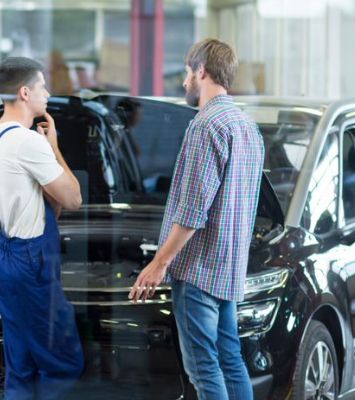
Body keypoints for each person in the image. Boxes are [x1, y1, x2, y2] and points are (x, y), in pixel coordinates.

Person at [128, 38, 265, 400]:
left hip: (199, 270)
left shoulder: (205, 126)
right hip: (229, 267)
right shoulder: (247, 127)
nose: (185, 81)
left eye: (188, 73)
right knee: (231, 359)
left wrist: (159, 263)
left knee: (203, 367)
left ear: (201, 70)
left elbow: (192, 210)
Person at [0, 56, 84, 399]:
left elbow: (43, 209)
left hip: (7, 259)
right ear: (25, 92)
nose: (48, 93)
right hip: (31, 263)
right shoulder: (29, 142)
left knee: (21, 364)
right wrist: (54, 147)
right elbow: (72, 200)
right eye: (42, 86)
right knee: (61, 363)